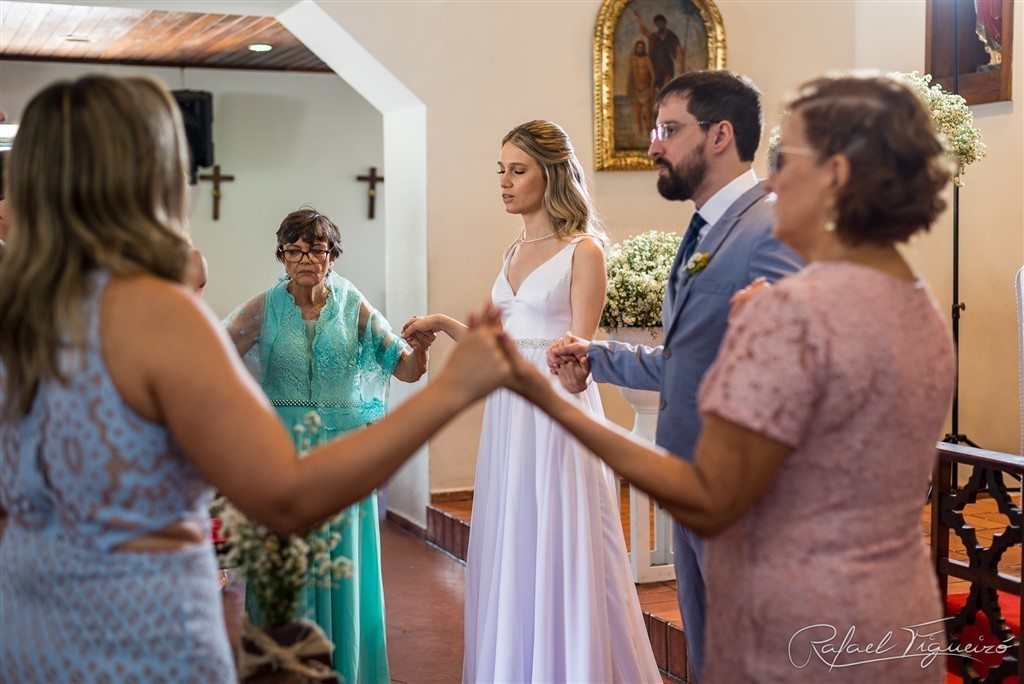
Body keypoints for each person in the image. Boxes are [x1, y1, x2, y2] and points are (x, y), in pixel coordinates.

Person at [0, 74, 511, 682]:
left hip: (25, 630)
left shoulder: (18, 310)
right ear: (151, 177)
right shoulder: (158, 316)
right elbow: (286, 495)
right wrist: (456, 391)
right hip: (138, 636)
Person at [534, 73, 955, 682]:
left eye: (786, 160)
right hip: (894, 594)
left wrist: (551, 406)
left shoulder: (789, 303)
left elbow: (712, 495)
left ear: (835, 174)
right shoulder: (915, 305)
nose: (773, 182)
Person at [548, 70, 802, 682]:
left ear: (720, 134)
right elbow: (689, 362)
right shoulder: (702, 231)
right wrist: (597, 356)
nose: (653, 145)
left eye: (667, 129)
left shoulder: (772, 231)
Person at [401, 120, 660, 682]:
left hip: (559, 416)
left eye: (518, 170)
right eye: (501, 170)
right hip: (510, 418)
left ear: (552, 173)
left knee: (564, 545)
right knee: (516, 543)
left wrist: (569, 378)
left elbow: (577, 355)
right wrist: (444, 324)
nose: (505, 182)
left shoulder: (583, 251)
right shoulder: (513, 249)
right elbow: (502, 348)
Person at [223, 207, 428, 683]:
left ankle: (348, 668)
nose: (305, 259)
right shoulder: (261, 308)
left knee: (345, 562)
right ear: (282, 256)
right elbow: (215, 359)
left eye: (316, 249)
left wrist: (421, 346)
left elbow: (406, 369)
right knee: (284, 564)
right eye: (294, 250)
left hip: (344, 454)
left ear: (332, 256)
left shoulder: (353, 306)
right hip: (283, 450)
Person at [634, 10, 685, 89]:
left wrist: (681, 69)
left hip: (667, 67)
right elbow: (645, 31)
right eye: (657, 24)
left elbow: (679, 52)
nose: (659, 25)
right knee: (655, 89)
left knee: (665, 88)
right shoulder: (655, 36)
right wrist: (639, 18)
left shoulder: (672, 36)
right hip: (656, 67)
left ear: (665, 23)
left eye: (661, 23)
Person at [628, 40, 657, 137]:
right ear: (635, 48)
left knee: (647, 115)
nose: (640, 49)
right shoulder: (632, 59)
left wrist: (652, 88)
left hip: (646, 90)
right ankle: (639, 137)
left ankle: (649, 138)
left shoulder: (646, 59)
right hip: (635, 90)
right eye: (638, 47)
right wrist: (629, 89)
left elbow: (653, 75)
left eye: (642, 47)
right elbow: (630, 76)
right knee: (637, 116)